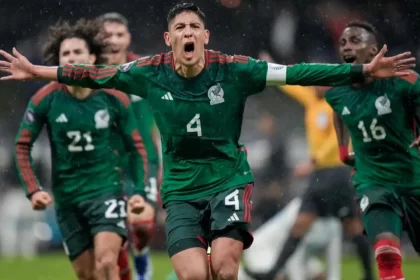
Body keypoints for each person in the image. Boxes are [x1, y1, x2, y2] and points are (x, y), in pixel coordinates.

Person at [0, 3, 414, 280]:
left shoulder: (235, 70)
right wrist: (38, 71)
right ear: (169, 40)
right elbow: (92, 75)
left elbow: (298, 72)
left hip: (228, 179)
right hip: (180, 190)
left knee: (226, 266)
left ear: (206, 35)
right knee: (196, 274)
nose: (187, 32)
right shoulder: (146, 72)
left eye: (194, 26)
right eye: (179, 27)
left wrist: (359, 74)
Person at [12, 18, 148, 280]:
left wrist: (138, 191)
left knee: (107, 263)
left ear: (93, 57)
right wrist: (33, 190)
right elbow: (21, 146)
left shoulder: (114, 96)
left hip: (106, 192)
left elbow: (136, 147)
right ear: (58, 60)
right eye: (66, 54)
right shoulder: (45, 99)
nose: (72, 58)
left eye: (78, 52)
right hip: (67, 199)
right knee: (87, 275)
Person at [246, 83, 374, 280]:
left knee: (354, 228)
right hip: (319, 177)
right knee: (300, 224)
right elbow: (293, 86)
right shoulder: (312, 101)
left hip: (338, 173)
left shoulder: (338, 104)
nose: (315, 85)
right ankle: (272, 273)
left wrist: (314, 161)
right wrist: (273, 69)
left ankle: (369, 275)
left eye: (320, 81)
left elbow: (338, 140)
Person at [325, 20, 420, 280]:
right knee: (387, 252)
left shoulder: (402, 80)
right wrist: (343, 149)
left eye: (355, 41)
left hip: (412, 176)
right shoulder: (336, 93)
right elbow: (339, 113)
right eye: (343, 42)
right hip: (372, 179)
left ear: (374, 50)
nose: (346, 46)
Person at [98, 12, 160, 280]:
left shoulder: (144, 70)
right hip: (105, 164)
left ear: (128, 39)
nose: (113, 40)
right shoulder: (88, 74)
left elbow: (163, 114)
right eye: (107, 35)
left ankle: (142, 253)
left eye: (119, 35)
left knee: (143, 224)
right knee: (112, 238)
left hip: (143, 160)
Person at [239, 197, 343, 280]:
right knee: (277, 277)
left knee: (319, 276)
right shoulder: (299, 209)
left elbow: (334, 268)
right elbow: (292, 254)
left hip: (295, 253)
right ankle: (243, 275)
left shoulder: (334, 216)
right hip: (264, 248)